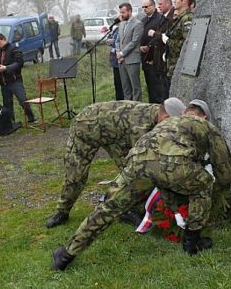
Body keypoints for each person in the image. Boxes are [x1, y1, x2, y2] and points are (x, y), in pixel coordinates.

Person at [51, 99, 231, 271]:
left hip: (139, 158)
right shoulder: (208, 127)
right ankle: (192, 243)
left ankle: (66, 254)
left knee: (109, 207)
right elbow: (223, 168)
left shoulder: (167, 122)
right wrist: (222, 188)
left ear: (185, 111)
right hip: (174, 164)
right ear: (204, 117)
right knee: (203, 186)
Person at [44, 97, 186, 229]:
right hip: (88, 126)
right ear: (166, 118)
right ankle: (62, 211)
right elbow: (142, 161)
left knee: (128, 173)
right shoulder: (140, 126)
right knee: (76, 173)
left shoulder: (158, 116)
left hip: (116, 134)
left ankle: (126, 209)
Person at [0, 33, 36, 123]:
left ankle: (31, 118)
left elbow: (19, 63)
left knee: (23, 100)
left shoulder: (13, 49)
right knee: (7, 104)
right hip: (4, 82)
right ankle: (11, 122)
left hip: (15, 80)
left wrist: (6, 68)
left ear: (4, 39)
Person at [146, 0, 175, 99]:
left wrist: (154, 34)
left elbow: (166, 37)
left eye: (160, 4)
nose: (159, 6)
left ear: (168, 3)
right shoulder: (163, 17)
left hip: (167, 58)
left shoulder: (172, 17)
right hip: (159, 57)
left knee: (167, 90)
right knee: (161, 89)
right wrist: (150, 57)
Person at [164, 0, 195, 83]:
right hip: (173, 64)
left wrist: (169, 41)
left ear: (184, 1)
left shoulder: (187, 18)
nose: (174, 1)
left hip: (180, 65)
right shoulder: (179, 17)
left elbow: (188, 43)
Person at [139, 0, 165, 103]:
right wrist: (140, 46)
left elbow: (160, 34)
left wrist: (149, 46)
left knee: (157, 85)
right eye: (143, 7)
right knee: (149, 84)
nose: (144, 9)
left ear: (153, 6)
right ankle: (151, 104)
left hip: (155, 56)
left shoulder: (159, 18)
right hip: (144, 56)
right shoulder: (143, 20)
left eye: (147, 6)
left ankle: (159, 106)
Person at [117, 2, 144, 101]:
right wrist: (118, 52)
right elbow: (119, 40)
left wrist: (122, 53)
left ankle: (137, 108)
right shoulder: (121, 24)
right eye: (120, 12)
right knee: (125, 87)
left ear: (129, 11)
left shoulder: (138, 24)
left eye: (123, 12)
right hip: (121, 60)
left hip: (132, 60)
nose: (121, 15)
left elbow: (134, 41)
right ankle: (127, 107)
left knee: (135, 87)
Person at [107, 25, 123, 100]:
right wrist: (108, 41)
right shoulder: (114, 29)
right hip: (115, 60)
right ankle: (118, 99)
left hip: (122, 58)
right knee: (117, 82)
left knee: (123, 82)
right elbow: (109, 38)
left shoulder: (124, 27)